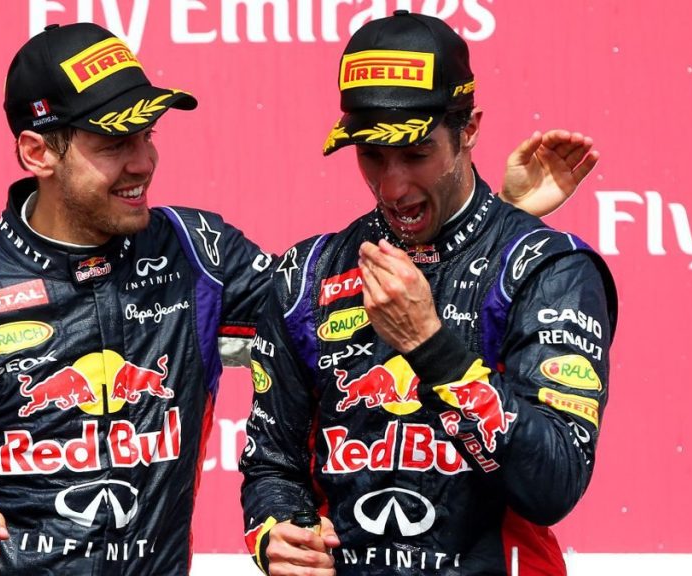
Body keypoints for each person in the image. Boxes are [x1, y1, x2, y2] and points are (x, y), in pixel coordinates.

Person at [0, 21, 599, 576]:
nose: (144, 160)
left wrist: (499, 221)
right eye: (114, 141)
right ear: (37, 152)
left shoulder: (196, 257)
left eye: (147, 133)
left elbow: (348, 308)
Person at [239, 10, 617, 576]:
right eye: (371, 155)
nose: (392, 186)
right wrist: (276, 536)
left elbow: (555, 482)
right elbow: (273, 466)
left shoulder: (547, 267)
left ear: (469, 130)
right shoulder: (308, 271)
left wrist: (430, 346)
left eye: (416, 154)